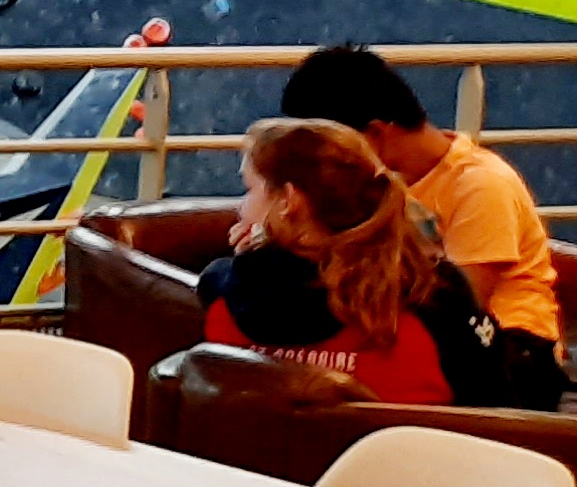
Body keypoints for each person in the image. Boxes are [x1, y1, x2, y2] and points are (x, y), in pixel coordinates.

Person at [280, 44, 571, 406]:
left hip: (509, 352)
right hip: (424, 333)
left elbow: (459, 309)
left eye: (326, 151)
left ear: (374, 135)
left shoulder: (481, 186)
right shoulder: (374, 185)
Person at [199, 119, 507, 407]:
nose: (242, 207)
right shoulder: (436, 296)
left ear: (288, 200)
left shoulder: (223, 292)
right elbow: (495, 406)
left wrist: (252, 256)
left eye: (250, 189)